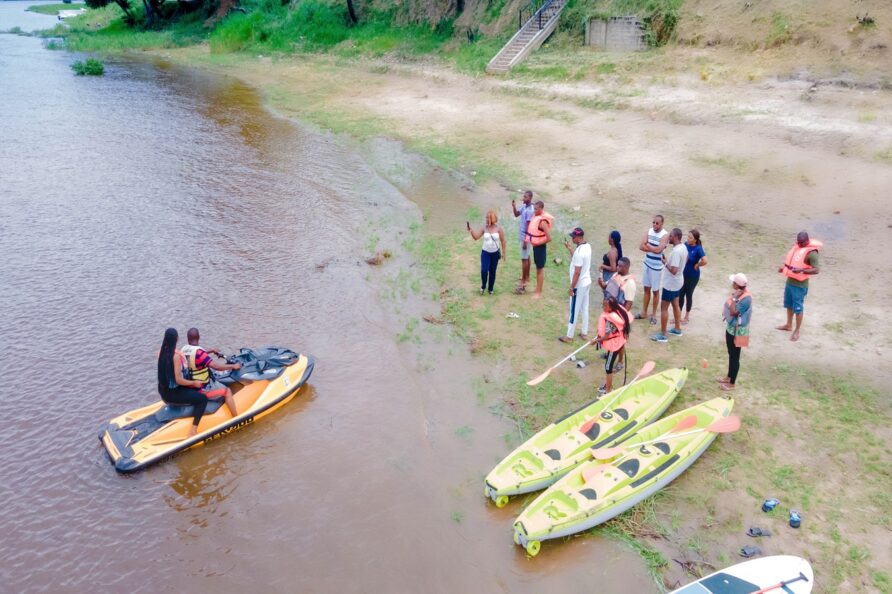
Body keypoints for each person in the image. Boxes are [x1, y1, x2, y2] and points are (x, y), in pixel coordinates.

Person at [157, 328, 212, 438]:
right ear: (177, 339)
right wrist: (194, 383)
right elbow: (178, 380)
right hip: (172, 394)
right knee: (202, 399)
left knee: (192, 390)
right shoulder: (176, 357)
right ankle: (193, 431)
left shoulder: (160, 353)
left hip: (163, 392)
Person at [181, 327, 241, 418]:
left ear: (188, 338)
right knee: (228, 391)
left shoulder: (184, 350)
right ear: (199, 337)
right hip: (202, 388)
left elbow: (195, 357)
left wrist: (211, 351)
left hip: (190, 386)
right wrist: (233, 366)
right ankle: (236, 418)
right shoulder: (199, 353)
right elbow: (216, 367)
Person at [777, 231, 821, 342]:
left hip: (800, 286)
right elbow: (794, 263)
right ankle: (788, 325)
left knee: (798, 308)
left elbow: (817, 270)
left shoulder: (812, 253)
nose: (800, 244)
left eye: (802, 242)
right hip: (790, 282)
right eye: (798, 242)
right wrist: (784, 269)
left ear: (807, 240)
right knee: (788, 304)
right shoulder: (797, 248)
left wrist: (801, 270)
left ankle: (797, 330)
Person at [598, 256, 636, 372]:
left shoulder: (630, 283)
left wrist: (621, 319)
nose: (618, 267)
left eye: (620, 266)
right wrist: (601, 283)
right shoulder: (616, 275)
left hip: (619, 317)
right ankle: (610, 353)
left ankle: (620, 361)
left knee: (620, 340)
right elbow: (606, 287)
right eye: (618, 265)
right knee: (609, 335)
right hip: (610, 313)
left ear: (627, 267)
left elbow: (629, 303)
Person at [652, 228, 687, 343]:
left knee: (664, 308)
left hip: (671, 284)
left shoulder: (676, 252)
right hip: (678, 282)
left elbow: (674, 270)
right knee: (676, 304)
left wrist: (665, 263)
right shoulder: (683, 247)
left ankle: (663, 334)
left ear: (676, 237)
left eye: (671, 236)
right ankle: (677, 328)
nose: (669, 238)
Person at [719, 273, 753, 391]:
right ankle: (729, 377)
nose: (732, 283)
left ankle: (732, 383)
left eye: (733, 282)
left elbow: (733, 312)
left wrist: (734, 298)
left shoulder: (746, 299)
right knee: (731, 353)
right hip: (732, 328)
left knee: (735, 357)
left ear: (737, 285)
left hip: (739, 331)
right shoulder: (740, 294)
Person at [559, 227, 592, 343]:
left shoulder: (579, 252)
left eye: (573, 237)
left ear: (578, 237)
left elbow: (577, 272)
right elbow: (577, 259)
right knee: (585, 308)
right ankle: (584, 332)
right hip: (587, 282)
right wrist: (570, 249)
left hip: (579, 285)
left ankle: (569, 336)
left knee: (574, 310)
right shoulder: (587, 247)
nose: (572, 238)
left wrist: (571, 287)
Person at [593, 296, 631, 394]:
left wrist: (596, 340)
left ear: (611, 307)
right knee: (608, 365)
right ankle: (608, 385)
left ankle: (608, 390)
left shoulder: (610, 320)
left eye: (605, 305)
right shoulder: (617, 313)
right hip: (619, 341)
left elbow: (606, 336)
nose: (603, 307)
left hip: (614, 345)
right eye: (603, 304)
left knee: (608, 367)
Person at [637, 214, 670, 324]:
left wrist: (649, 246)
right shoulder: (649, 231)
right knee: (646, 289)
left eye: (657, 223)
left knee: (655, 291)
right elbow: (641, 246)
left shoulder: (665, 235)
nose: (654, 225)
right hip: (647, 263)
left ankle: (654, 315)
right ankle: (644, 312)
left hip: (656, 267)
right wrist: (653, 248)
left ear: (662, 223)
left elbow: (658, 250)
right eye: (653, 222)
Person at [467, 210, 507, 295]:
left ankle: (490, 288)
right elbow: (476, 237)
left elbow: (503, 241)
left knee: (492, 271)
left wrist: (503, 253)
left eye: (487, 218)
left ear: (492, 219)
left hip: (495, 254)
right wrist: (471, 230)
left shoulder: (498, 229)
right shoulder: (484, 228)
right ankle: (483, 286)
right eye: (486, 217)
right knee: (484, 270)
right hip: (485, 253)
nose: (486, 219)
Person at [525, 200, 553, 299]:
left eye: (536, 209)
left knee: (540, 269)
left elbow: (549, 238)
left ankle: (539, 292)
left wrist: (537, 243)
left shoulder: (543, 222)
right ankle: (537, 289)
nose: (534, 211)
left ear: (541, 209)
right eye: (534, 209)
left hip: (540, 248)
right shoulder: (536, 217)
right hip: (536, 247)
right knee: (537, 268)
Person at [679, 229, 708, 324]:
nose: (688, 239)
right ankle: (678, 315)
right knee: (681, 294)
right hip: (683, 274)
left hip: (692, 276)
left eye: (690, 237)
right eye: (688, 236)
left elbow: (705, 260)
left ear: (695, 240)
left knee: (689, 294)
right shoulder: (685, 245)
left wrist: (697, 265)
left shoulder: (698, 248)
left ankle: (687, 316)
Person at [511, 190, 535, 293]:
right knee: (527, 257)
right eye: (523, 196)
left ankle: (523, 282)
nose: (523, 198)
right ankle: (527, 277)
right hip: (523, 237)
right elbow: (516, 214)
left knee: (524, 259)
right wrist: (514, 206)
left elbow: (529, 226)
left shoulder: (530, 210)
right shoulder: (524, 207)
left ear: (530, 198)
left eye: (525, 197)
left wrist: (526, 240)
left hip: (525, 238)